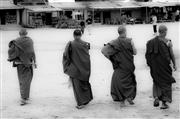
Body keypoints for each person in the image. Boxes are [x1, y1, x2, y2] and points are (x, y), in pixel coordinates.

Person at [101, 26, 137, 107]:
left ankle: (122, 101)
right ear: (125, 31)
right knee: (130, 82)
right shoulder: (129, 41)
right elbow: (135, 52)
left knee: (119, 83)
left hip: (120, 66)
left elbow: (103, 50)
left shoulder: (114, 42)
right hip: (129, 65)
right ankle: (129, 97)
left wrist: (112, 58)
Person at [145, 25, 176, 109]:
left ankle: (156, 97)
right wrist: (174, 64)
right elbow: (171, 54)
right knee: (166, 82)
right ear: (165, 31)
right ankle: (164, 103)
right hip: (164, 67)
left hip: (155, 66)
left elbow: (148, 55)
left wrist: (150, 64)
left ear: (159, 31)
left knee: (156, 81)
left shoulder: (150, 42)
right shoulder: (167, 41)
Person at [63, 29, 93, 109]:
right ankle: (86, 99)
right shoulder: (86, 44)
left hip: (75, 69)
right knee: (84, 84)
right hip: (84, 67)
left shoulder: (71, 44)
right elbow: (86, 56)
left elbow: (66, 56)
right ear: (81, 35)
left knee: (77, 87)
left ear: (73, 35)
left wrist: (67, 65)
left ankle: (80, 103)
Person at [8, 28, 36, 106]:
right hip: (28, 62)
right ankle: (24, 97)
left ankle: (24, 96)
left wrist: (11, 57)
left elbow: (11, 51)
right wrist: (34, 60)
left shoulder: (16, 41)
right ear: (26, 33)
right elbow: (32, 51)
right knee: (27, 80)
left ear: (20, 33)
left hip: (19, 63)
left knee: (22, 79)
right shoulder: (30, 40)